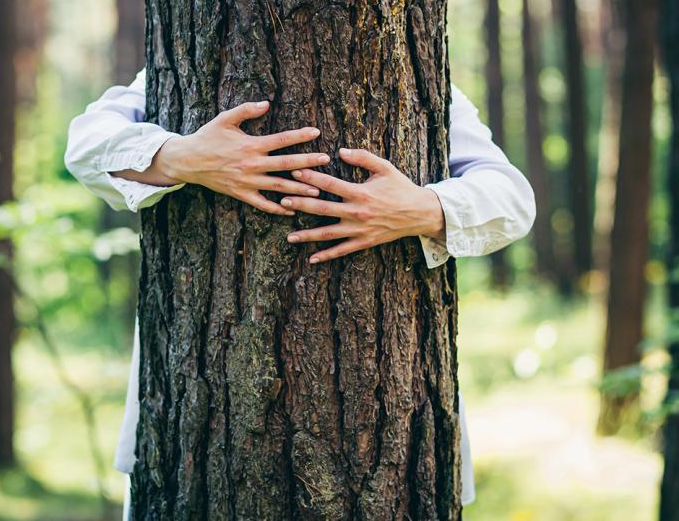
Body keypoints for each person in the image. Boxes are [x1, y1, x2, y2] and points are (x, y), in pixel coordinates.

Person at [64, 67, 536, 517]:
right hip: (199, 412)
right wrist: (182, 157)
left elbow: (513, 198)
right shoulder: (165, 76)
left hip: (389, 408)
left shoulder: (421, 80)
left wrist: (423, 207)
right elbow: (85, 142)